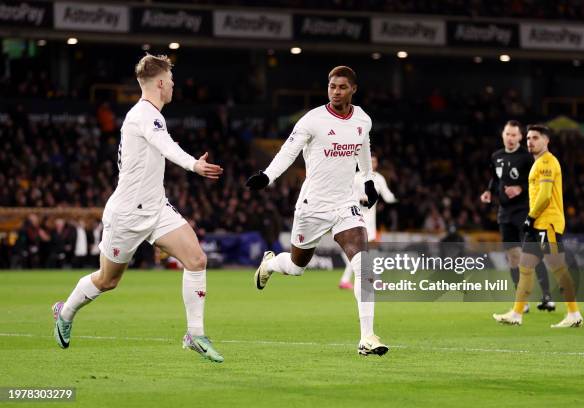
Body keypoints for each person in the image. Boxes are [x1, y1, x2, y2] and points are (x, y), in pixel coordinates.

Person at [52, 54, 225, 362]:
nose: (173, 86)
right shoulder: (144, 115)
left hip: (156, 208)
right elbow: (166, 145)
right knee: (108, 280)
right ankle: (64, 312)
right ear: (160, 83)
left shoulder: (151, 114)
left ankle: (195, 335)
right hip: (127, 213)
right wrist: (193, 164)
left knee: (196, 259)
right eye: (171, 81)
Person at [245, 66, 388, 356]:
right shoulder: (313, 120)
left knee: (364, 266)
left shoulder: (362, 119)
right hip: (313, 206)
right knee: (297, 267)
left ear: (353, 90)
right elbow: (289, 150)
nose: (336, 91)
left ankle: (367, 337)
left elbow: (363, 149)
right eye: (332, 86)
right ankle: (270, 264)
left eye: (342, 87)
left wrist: (369, 179)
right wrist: (268, 176)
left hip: (345, 204)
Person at [493, 125, 583, 328]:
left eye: (535, 138)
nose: (530, 142)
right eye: (529, 138)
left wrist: (530, 217)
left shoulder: (547, 162)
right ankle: (516, 314)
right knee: (525, 268)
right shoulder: (538, 163)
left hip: (547, 223)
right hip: (538, 224)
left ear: (546, 140)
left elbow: (544, 194)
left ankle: (574, 313)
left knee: (558, 268)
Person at [480, 120, 555, 313]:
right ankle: (523, 300)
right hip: (505, 213)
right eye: (508, 134)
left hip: (525, 211)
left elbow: (536, 180)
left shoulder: (527, 157)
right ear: (503, 135)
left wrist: (520, 187)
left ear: (520, 137)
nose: (510, 138)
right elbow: (496, 178)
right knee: (513, 258)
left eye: (514, 135)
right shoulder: (496, 156)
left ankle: (547, 295)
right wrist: (489, 191)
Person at [338, 155, 397, 289]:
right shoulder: (356, 177)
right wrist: (360, 199)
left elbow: (388, 196)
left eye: (374, 161)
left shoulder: (379, 178)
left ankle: (346, 280)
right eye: (369, 161)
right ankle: (375, 281)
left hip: (370, 222)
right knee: (365, 252)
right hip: (356, 218)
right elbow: (347, 194)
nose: (372, 163)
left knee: (363, 252)